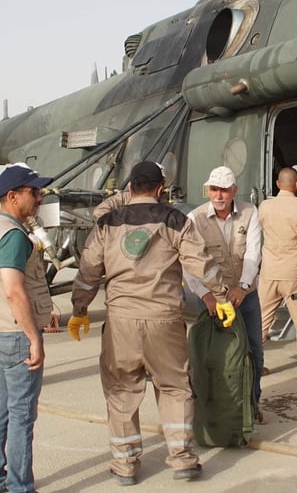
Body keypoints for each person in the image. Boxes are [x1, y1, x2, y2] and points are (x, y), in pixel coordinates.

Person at [67, 161, 233, 485]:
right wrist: (222, 296)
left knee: (121, 390)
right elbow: (202, 264)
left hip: (121, 323)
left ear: (129, 189)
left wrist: (79, 309)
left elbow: (88, 272)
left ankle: (125, 465)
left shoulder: (107, 223)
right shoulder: (175, 220)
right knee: (174, 387)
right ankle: (182, 459)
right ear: (160, 189)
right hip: (164, 320)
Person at [0, 163, 54, 493]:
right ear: (12, 196)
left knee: (0, 411)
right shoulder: (13, 237)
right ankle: (21, 487)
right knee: (21, 417)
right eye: (33, 192)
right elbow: (13, 290)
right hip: (16, 335)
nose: (39, 198)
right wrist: (33, 337)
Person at [182, 166, 266, 419]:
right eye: (214, 190)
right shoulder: (194, 219)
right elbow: (188, 262)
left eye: (224, 190)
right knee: (211, 355)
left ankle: (252, 404)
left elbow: (253, 252)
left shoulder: (250, 213)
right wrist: (205, 296)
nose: (219, 196)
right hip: (211, 300)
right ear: (208, 190)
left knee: (254, 351)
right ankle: (212, 407)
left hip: (246, 295)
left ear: (234, 191)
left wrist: (243, 286)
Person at [258, 166, 297, 382]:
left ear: (277, 184)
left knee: (261, 321)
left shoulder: (264, 206)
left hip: (269, 273)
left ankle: (256, 364)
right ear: (296, 185)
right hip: (296, 274)